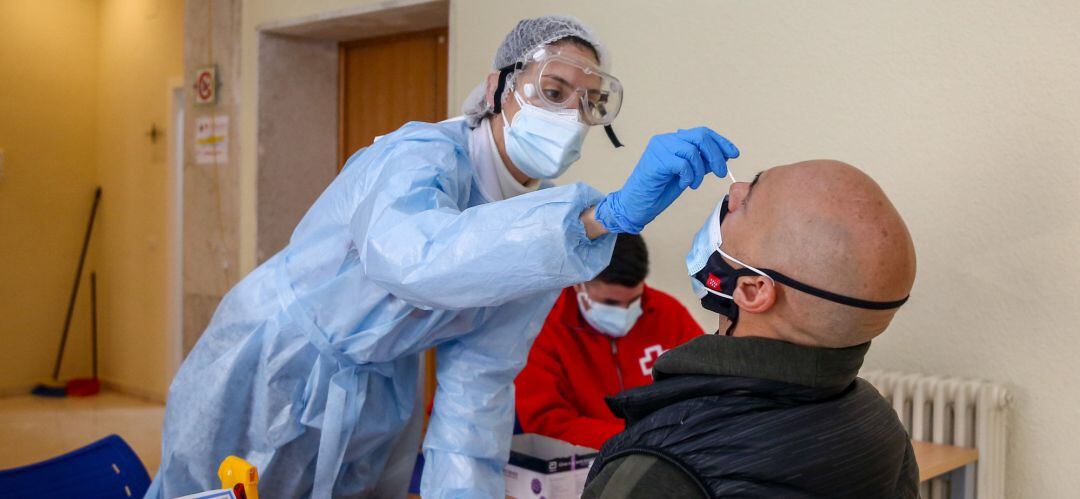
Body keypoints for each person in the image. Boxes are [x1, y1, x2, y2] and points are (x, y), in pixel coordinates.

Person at [148, 15, 741, 499]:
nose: (567, 116)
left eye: (586, 103)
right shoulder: (419, 157)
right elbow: (413, 261)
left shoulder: (538, 243)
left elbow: (477, 394)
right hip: (272, 361)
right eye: (552, 92)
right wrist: (600, 217)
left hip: (382, 386)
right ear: (496, 88)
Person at [582, 160, 919, 498]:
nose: (734, 190)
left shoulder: (669, 468)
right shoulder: (879, 423)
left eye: (749, 198)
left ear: (752, 290)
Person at [515, 234, 702, 449]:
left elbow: (704, 391)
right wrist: (634, 439)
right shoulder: (542, 327)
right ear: (579, 284)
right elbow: (546, 423)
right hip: (583, 464)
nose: (624, 312)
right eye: (610, 303)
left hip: (666, 454)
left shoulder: (668, 314)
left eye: (633, 301)